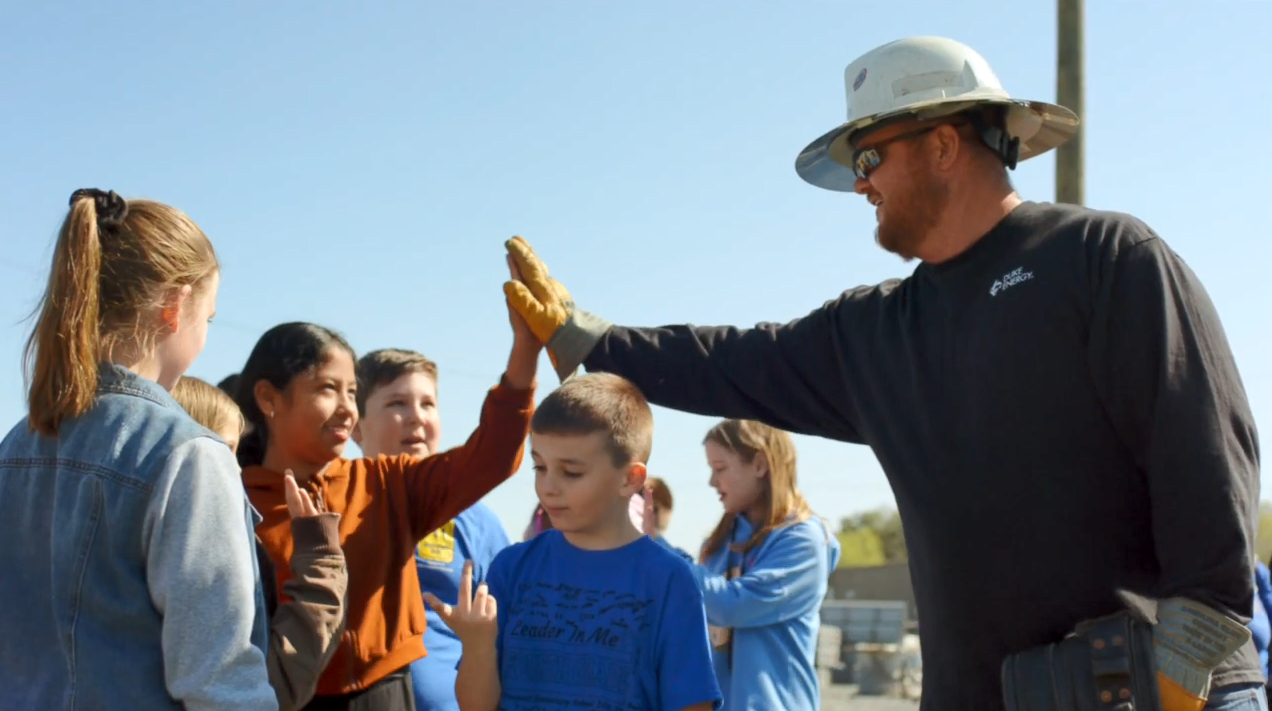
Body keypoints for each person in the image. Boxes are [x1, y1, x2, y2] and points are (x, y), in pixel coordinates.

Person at [501, 35, 1265, 711]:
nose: (860, 185)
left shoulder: (1104, 260)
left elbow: (1204, 449)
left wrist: (1190, 655)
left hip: (1158, 687)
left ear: (942, 145)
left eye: (869, 159)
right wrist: (582, 335)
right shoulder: (874, 330)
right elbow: (728, 360)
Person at [0, 189, 276, 709]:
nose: (206, 334)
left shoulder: (14, 446)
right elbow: (218, 681)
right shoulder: (187, 454)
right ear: (175, 306)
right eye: (209, 317)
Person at [234, 315, 539, 711]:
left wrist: (526, 349)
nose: (346, 409)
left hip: (385, 695)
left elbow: (494, 455)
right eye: (328, 389)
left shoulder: (388, 483)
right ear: (269, 398)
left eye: (352, 392)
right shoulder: (234, 499)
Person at [427, 373, 722, 711]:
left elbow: (692, 704)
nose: (548, 487)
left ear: (630, 479)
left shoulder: (669, 579)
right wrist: (478, 646)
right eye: (539, 467)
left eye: (571, 472)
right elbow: (476, 706)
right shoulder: (512, 567)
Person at [175, 375, 349, 710]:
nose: (235, 469)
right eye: (225, 449)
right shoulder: (214, 546)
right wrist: (320, 557)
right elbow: (277, 682)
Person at [351, 348, 511, 711]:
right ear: (357, 426)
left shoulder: (477, 521)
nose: (416, 418)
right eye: (397, 403)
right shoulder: (332, 507)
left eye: (428, 404)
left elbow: (509, 629)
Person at [696, 419, 839, 710]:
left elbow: (732, 606)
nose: (712, 482)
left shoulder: (803, 541)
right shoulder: (718, 544)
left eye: (720, 468)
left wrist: (662, 555)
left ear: (760, 464)